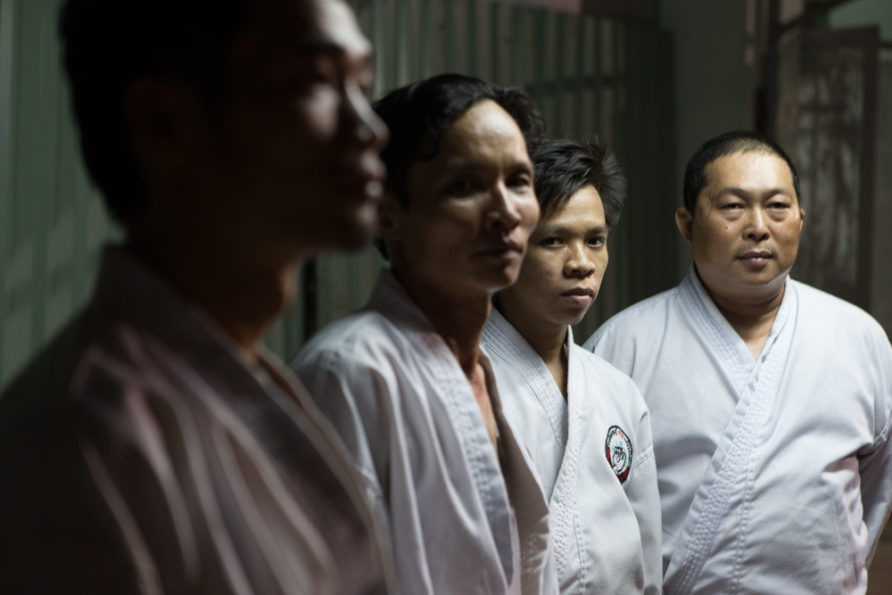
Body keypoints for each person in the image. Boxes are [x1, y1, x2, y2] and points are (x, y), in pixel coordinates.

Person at [0, 0, 394, 593]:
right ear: (165, 125)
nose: (369, 128)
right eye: (315, 80)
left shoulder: (233, 373)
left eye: (362, 84)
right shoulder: (81, 448)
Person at [585, 130, 892, 594]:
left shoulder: (859, 337)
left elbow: (873, 492)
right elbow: (597, 510)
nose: (758, 227)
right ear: (687, 223)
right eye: (733, 206)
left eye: (777, 206)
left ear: (801, 219)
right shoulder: (622, 346)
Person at [291, 73, 555, 595]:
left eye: (518, 181)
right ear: (387, 212)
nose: (505, 211)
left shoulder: (496, 374)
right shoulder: (350, 372)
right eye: (464, 185)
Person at [482, 138, 662, 594]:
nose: (582, 263)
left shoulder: (617, 391)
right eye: (554, 240)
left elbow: (647, 558)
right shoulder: (466, 381)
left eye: (595, 240)